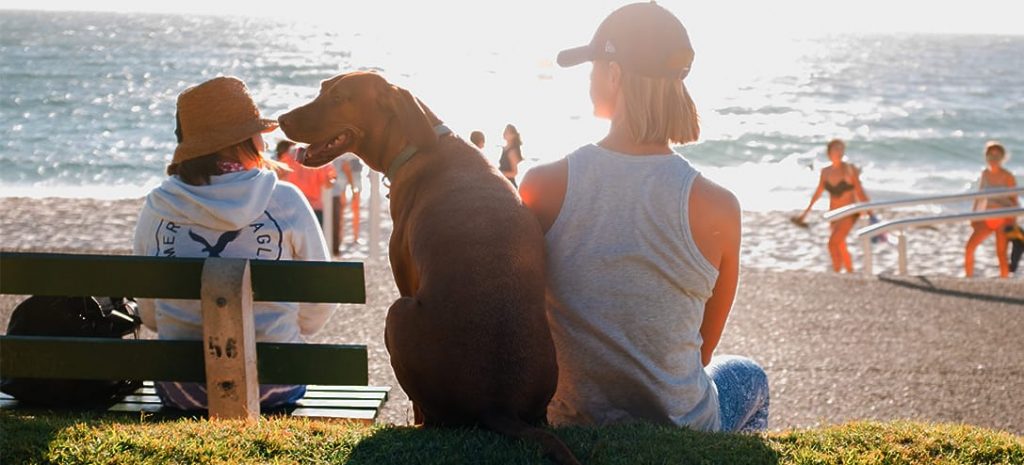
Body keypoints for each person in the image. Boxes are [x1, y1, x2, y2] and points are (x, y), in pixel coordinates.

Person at [519, 3, 768, 433]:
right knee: (751, 376)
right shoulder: (720, 207)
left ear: (614, 74)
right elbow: (702, 353)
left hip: (572, 419)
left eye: (594, 67)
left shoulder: (543, 185)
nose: (591, 78)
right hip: (682, 424)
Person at [132, 76, 336, 410]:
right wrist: (288, 330)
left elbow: (151, 316)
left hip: (182, 388)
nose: (265, 142)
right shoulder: (284, 199)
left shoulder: (158, 206)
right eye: (258, 132)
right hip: (275, 382)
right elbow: (321, 298)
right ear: (247, 140)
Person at [794, 139, 871, 273]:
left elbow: (860, 191)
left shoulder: (849, 169)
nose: (840, 152)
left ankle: (837, 273)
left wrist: (871, 212)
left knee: (832, 243)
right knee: (840, 244)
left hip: (849, 212)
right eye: (837, 149)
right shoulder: (825, 171)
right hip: (834, 214)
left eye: (842, 149)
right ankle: (849, 272)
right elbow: (817, 194)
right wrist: (804, 214)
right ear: (829, 152)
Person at [965, 141, 1019, 278]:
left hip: (1003, 220)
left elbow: (1015, 202)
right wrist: (974, 216)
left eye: (997, 156)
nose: (993, 159)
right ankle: (968, 279)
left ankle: (1004, 282)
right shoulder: (985, 174)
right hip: (986, 218)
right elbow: (979, 196)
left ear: (1002, 158)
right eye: (990, 156)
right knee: (969, 248)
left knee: (1001, 254)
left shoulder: (1008, 176)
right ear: (986, 157)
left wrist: (1013, 222)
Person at [276, 140, 336, 226]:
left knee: (292, 238)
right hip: (314, 208)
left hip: (293, 206)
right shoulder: (321, 156)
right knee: (314, 238)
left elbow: (279, 174)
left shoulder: (290, 154)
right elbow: (328, 184)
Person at [330, 153, 362, 254]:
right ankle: (344, 237)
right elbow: (345, 166)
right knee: (344, 208)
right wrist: (352, 186)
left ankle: (352, 237)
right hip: (345, 171)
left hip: (350, 169)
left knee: (351, 207)